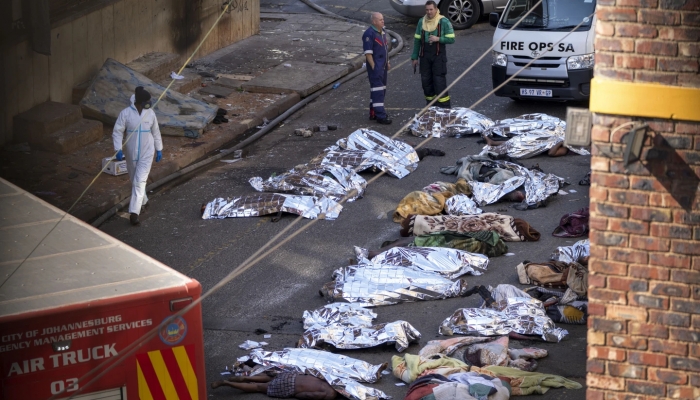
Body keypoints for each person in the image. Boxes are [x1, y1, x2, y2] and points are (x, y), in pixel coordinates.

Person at [112, 86, 163, 226]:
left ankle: (134, 212)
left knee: (140, 181)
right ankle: (144, 201)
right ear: (139, 102)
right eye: (147, 101)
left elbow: (156, 132)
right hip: (131, 153)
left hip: (147, 152)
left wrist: (159, 148)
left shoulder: (150, 114)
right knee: (135, 180)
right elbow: (117, 132)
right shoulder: (126, 114)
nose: (149, 103)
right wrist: (118, 149)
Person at [411, 1, 455, 109]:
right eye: (427, 10)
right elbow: (417, 41)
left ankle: (444, 108)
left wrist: (438, 39)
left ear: (436, 9)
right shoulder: (421, 21)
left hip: (438, 55)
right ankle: (431, 107)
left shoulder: (443, 21)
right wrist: (414, 57)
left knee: (439, 81)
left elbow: (451, 39)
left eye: (431, 9)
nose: (429, 12)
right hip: (425, 55)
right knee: (426, 82)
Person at [211, 372, 337, 400]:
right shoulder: (330, 394)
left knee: (270, 378)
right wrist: (297, 395)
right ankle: (226, 383)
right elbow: (308, 394)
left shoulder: (332, 381)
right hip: (290, 385)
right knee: (259, 388)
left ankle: (246, 377)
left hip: (293, 376)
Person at [362, 12, 392, 125]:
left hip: (383, 66)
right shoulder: (369, 34)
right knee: (378, 91)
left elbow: (385, 50)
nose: (383, 21)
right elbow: (368, 54)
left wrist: (387, 62)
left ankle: (373, 112)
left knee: (380, 90)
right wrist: (374, 66)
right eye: (380, 20)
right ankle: (381, 116)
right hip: (376, 67)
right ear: (374, 21)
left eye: (383, 19)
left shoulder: (382, 32)